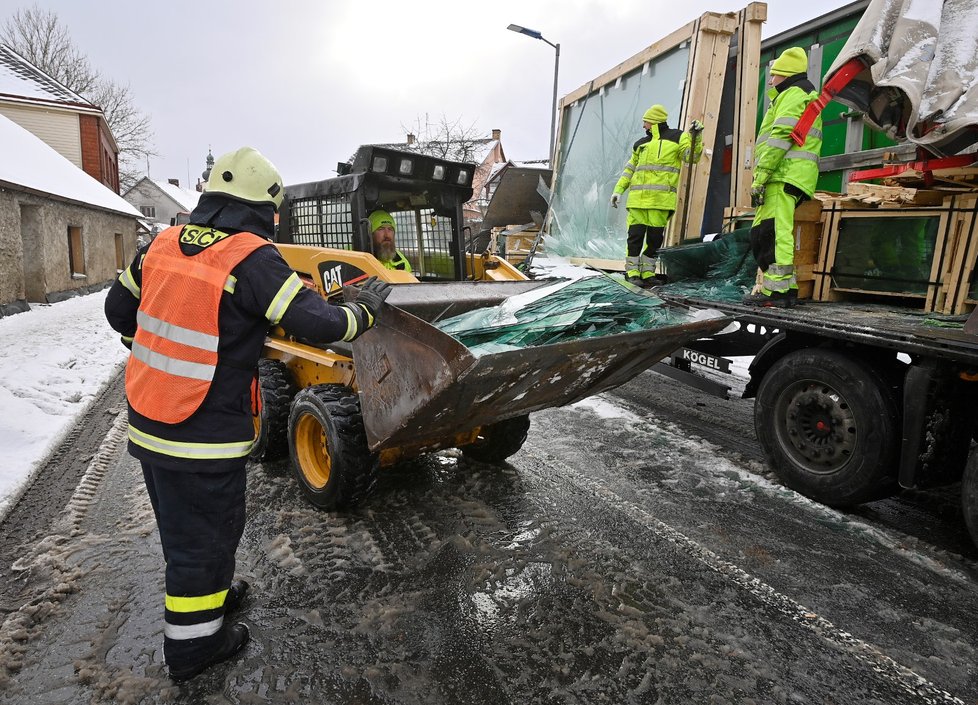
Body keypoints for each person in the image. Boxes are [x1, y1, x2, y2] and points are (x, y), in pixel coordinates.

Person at [104, 147, 392, 681]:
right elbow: (317, 324)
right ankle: (193, 648)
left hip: (150, 421)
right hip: (202, 434)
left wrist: (161, 361)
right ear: (265, 210)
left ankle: (207, 600)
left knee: (184, 528)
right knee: (208, 534)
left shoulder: (161, 245)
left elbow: (118, 312)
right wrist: (363, 312)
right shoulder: (250, 258)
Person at [744, 46, 823, 307]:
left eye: (775, 74)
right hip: (791, 175)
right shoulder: (800, 94)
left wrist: (761, 175)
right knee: (770, 232)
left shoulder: (792, 95)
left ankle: (776, 293)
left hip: (782, 173)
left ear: (786, 75)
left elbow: (779, 138)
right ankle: (785, 290)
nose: (771, 79)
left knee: (773, 233)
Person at [611, 104, 703, 286]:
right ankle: (632, 273)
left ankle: (647, 274)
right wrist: (618, 190)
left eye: (645, 121)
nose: (643, 126)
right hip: (638, 201)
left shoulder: (679, 137)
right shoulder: (640, 144)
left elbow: (691, 157)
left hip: (660, 202)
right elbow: (629, 170)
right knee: (635, 238)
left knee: (654, 240)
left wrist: (696, 137)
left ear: (654, 121)